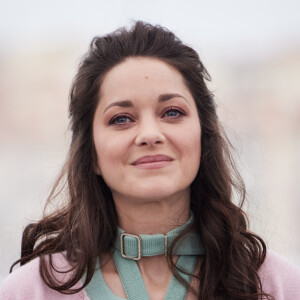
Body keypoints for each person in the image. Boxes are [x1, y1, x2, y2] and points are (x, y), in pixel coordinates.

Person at [1, 20, 300, 300]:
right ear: (90, 153)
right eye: (121, 119)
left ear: (203, 136)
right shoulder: (29, 292)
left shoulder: (276, 285)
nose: (149, 134)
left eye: (172, 112)